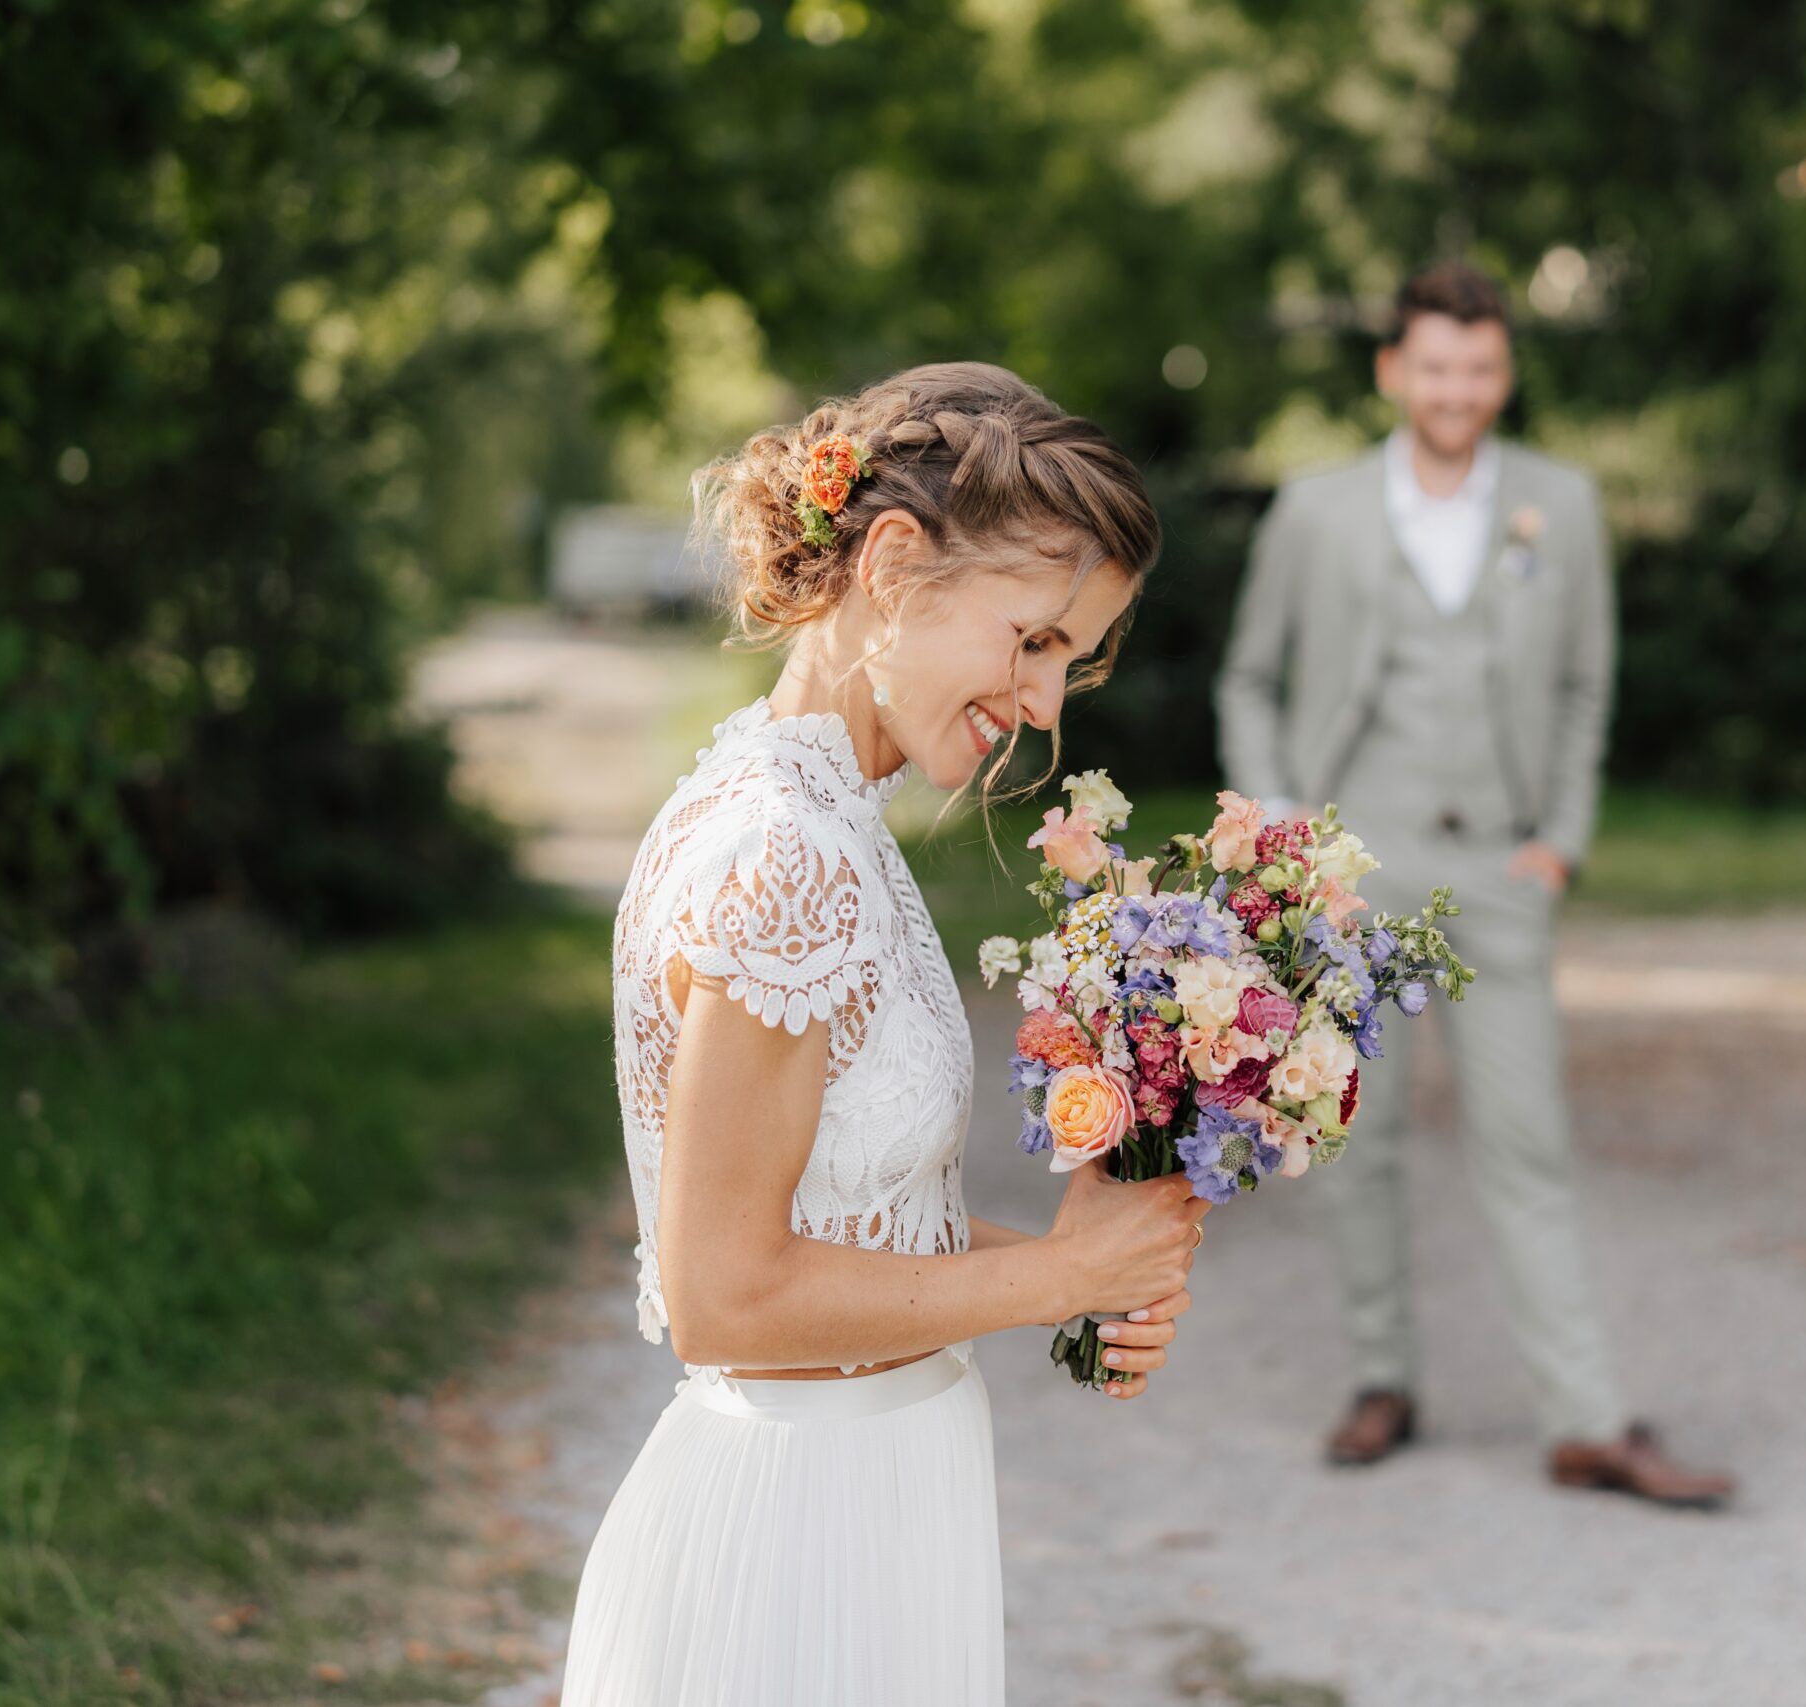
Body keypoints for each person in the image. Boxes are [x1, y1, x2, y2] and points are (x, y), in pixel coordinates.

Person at [560, 362, 1215, 1705]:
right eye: (1033, 640)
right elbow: (725, 1295)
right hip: (795, 1542)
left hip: (874, 1494)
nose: (1047, 703)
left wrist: (1080, 1262)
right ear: (897, 565)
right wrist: (1057, 1281)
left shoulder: (817, 814)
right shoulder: (785, 852)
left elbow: (843, 1213)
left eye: (1072, 661)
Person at [1214, 263, 1734, 1509]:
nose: (1457, 390)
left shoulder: (1561, 504)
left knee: (1528, 1143)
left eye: (1480, 367)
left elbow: (1586, 685)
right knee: (1357, 1138)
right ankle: (1382, 1377)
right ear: (1393, 371)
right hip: (1351, 873)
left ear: (1504, 374)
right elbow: (1248, 679)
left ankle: (1585, 1420)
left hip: (1499, 869)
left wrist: (1559, 838)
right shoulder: (1316, 509)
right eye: (1436, 366)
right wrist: (1284, 831)